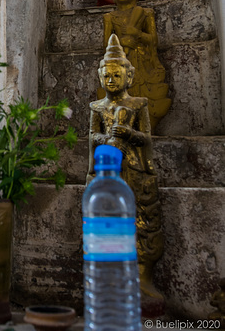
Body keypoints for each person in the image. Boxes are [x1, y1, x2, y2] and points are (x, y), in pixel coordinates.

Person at [87, 33, 164, 304]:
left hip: (134, 170)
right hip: (108, 171)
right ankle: (110, 279)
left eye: (116, 75)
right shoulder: (97, 108)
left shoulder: (138, 104)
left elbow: (146, 139)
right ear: (100, 77)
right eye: (106, 76)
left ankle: (143, 278)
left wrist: (129, 134)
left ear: (129, 77)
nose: (111, 80)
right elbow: (92, 139)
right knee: (108, 224)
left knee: (142, 222)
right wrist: (107, 138)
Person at [99, 0, 171, 130]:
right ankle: (119, 124)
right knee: (118, 89)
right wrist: (123, 43)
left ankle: (145, 124)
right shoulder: (109, 17)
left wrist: (137, 34)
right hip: (121, 61)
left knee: (145, 91)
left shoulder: (145, 13)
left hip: (143, 62)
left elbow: (153, 40)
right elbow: (106, 44)